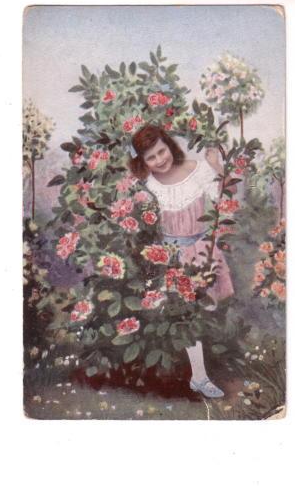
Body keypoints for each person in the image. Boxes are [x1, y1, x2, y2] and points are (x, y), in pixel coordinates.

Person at [128, 124, 234, 398]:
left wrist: (216, 166)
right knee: (186, 316)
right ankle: (199, 376)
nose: (159, 160)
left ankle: (199, 370)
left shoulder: (196, 169)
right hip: (171, 257)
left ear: (169, 145)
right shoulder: (149, 185)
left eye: (161, 151)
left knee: (205, 311)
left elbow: (222, 196)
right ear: (143, 162)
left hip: (200, 251)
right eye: (151, 158)